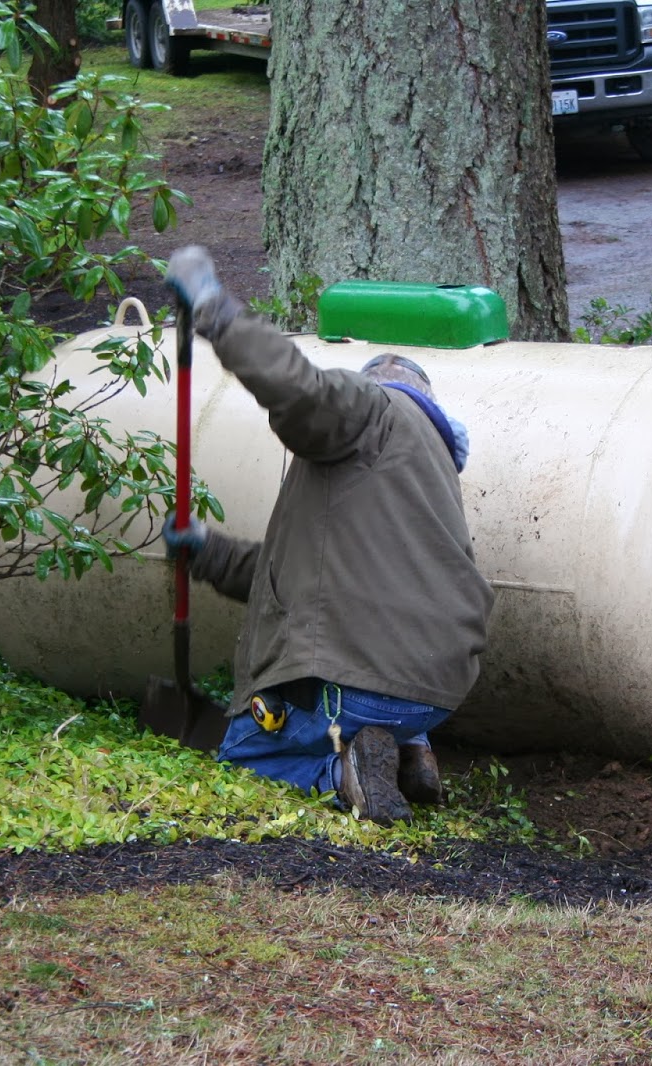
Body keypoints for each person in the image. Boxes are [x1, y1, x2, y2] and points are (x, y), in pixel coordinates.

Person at [161, 246, 495, 825]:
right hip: (435, 690)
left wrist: (214, 307)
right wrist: (207, 553)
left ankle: (342, 775)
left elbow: (299, 390)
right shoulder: (434, 470)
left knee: (244, 750)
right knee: (377, 695)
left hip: (357, 682)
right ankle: (407, 748)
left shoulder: (372, 411)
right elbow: (302, 582)